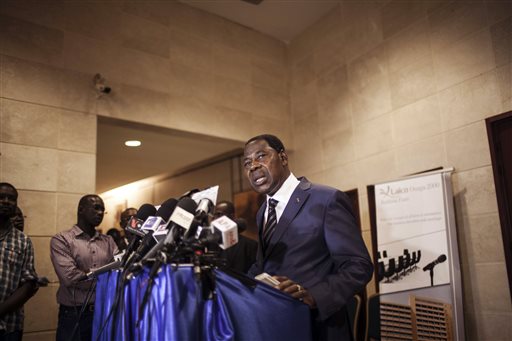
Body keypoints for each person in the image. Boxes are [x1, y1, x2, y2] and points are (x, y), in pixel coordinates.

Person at [243, 135, 373, 341]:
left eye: (261, 156)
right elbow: (264, 265)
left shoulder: (326, 199)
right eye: (247, 163)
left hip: (321, 328)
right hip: (281, 326)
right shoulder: (263, 212)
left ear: (283, 157)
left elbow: (359, 266)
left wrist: (313, 296)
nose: (253, 166)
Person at [50, 194, 117, 341]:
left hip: (103, 311)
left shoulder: (109, 241)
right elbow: (70, 278)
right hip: (73, 314)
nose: (100, 213)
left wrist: (89, 275)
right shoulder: (62, 239)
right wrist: (106, 279)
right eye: (96, 208)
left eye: (103, 210)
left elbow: (118, 273)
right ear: (81, 209)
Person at [0, 183, 38, 341]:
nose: (6, 201)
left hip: (9, 326)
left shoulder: (24, 241)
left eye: (12, 198)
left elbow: (29, 283)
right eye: (1, 197)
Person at [213, 201, 257, 274]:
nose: (215, 219)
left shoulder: (250, 245)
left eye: (219, 214)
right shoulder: (212, 244)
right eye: (214, 215)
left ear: (232, 216)